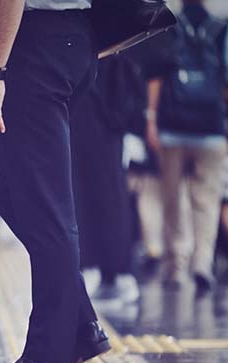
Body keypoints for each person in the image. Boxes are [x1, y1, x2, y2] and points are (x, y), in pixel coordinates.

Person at [0, 0, 111, 363]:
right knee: (11, 194)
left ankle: (50, 355)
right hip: (73, 42)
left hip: (39, 47)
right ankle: (80, 325)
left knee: (45, 206)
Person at [145, 0, 228, 292]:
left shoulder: (169, 28)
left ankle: (176, 266)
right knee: (207, 201)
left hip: (171, 130)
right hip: (211, 131)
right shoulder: (223, 31)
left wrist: (151, 119)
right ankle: (202, 262)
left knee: (172, 199)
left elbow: (156, 77)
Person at [71, 54, 141, 307]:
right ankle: (116, 270)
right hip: (109, 127)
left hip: (88, 123)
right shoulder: (113, 40)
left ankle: (101, 268)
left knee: (87, 198)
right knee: (111, 197)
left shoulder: (76, 40)